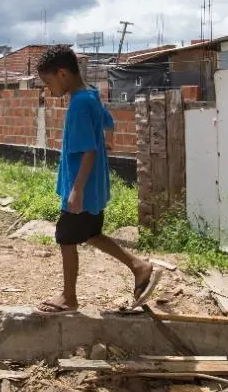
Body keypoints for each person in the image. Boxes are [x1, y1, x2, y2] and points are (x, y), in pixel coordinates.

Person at [33, 45, 160, 315]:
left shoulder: (79, 104)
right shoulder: (90, 94)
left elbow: (89, 149)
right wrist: (110, 137)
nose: (48, 88)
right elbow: (108, 121)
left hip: (83, 186)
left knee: (65, 237)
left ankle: (69, 298)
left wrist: (76, 189)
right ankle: (139, 266)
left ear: (63, 73)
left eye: (48, 81)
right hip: (95, 185)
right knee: (92, 234)